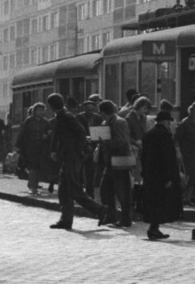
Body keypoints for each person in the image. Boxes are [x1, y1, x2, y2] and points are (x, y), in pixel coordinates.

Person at [47, 93, 101, 230]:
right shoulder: (63, 115)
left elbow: (81, 132)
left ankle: (101, 210)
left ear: (51, 106)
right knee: (63, 190)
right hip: (68, 155)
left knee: (74, 188)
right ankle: (66, 220)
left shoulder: (66, 116)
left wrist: (78, 150)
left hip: (72, 156)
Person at [138, 107, 184, 240]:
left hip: (150, 174)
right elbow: (168, 158)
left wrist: (144, 171)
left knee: (153, 201)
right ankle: (154, 228)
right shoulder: (165, 135)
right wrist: (169, 177)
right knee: (161, 202)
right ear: (166, 122)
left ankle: (154, 228)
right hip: (162, 175)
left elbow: (144, 155)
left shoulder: (148, 134)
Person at [96, 99, 135, 227]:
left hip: (120, 160)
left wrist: (105, 142)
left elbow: (122, 142)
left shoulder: (119, 122)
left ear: (103, 112)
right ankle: (111, 215)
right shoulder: (106, 122)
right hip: (110, 161)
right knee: (106, 189)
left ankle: (126, 218)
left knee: (122, 191)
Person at [14, 107, 52, 196]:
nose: (40, 112)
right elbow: (22, 133)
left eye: (42, 111)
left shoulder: (46, 122)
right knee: (32, 167)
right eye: (39, 110)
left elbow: (50, 132)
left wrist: (47, 135)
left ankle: (33, 184)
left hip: (41, 148)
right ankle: (33, 188)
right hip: (30, 147)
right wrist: (17, 145)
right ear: (34, 111)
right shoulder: (29, 121)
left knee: (38, 167)